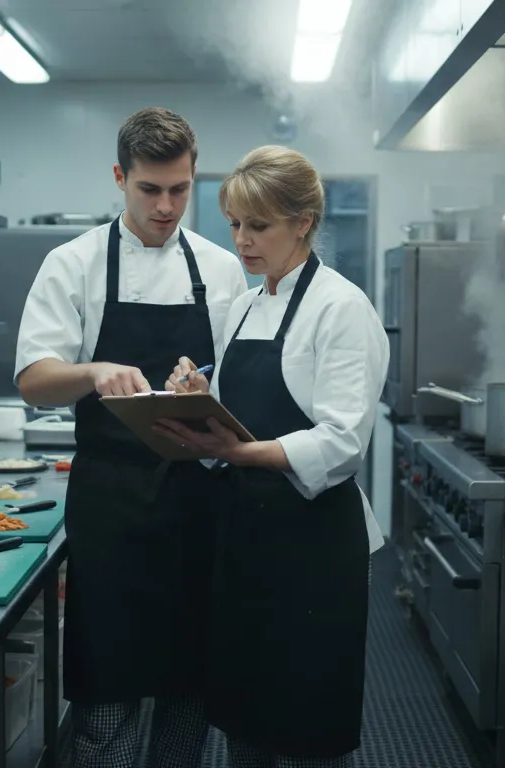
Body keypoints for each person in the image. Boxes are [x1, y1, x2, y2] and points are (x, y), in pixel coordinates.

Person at [14, 107, 249, 767]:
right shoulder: (75, 264)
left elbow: (237, 383)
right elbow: (34, 380)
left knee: (189, 695)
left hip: (199, 507)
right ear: (120, 178)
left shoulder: (221, 270)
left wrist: (199, 383)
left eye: (179, 189)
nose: (167, 205)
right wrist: (92, 371)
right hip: (111, 511)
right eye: (150, 189)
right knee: (107, 697)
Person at [156, 145, 389, 767]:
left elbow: (342, 442)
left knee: (303, 718)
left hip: (312, 543)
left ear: (303, 221)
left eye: (258, 226)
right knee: (243, 713)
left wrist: (237, 450)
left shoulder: (341, 308)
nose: (242, 241)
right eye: (234, 224)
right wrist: (200, 401)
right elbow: (238, 418)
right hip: (244, 535)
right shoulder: (244, 306)